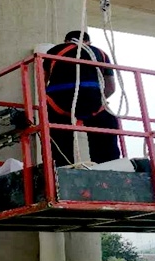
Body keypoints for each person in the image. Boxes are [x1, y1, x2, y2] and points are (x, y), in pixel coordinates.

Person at [42, 30, 122, 166]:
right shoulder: (100, 53)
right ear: (88, 42)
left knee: (59, 142)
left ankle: (61, 171)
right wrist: (99, 100)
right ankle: (109, 168)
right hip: (93, 102)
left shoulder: (53, 52)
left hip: (59, 102)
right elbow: (110, 88)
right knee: (106, 131)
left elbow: (41, 82)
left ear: (66, 41)